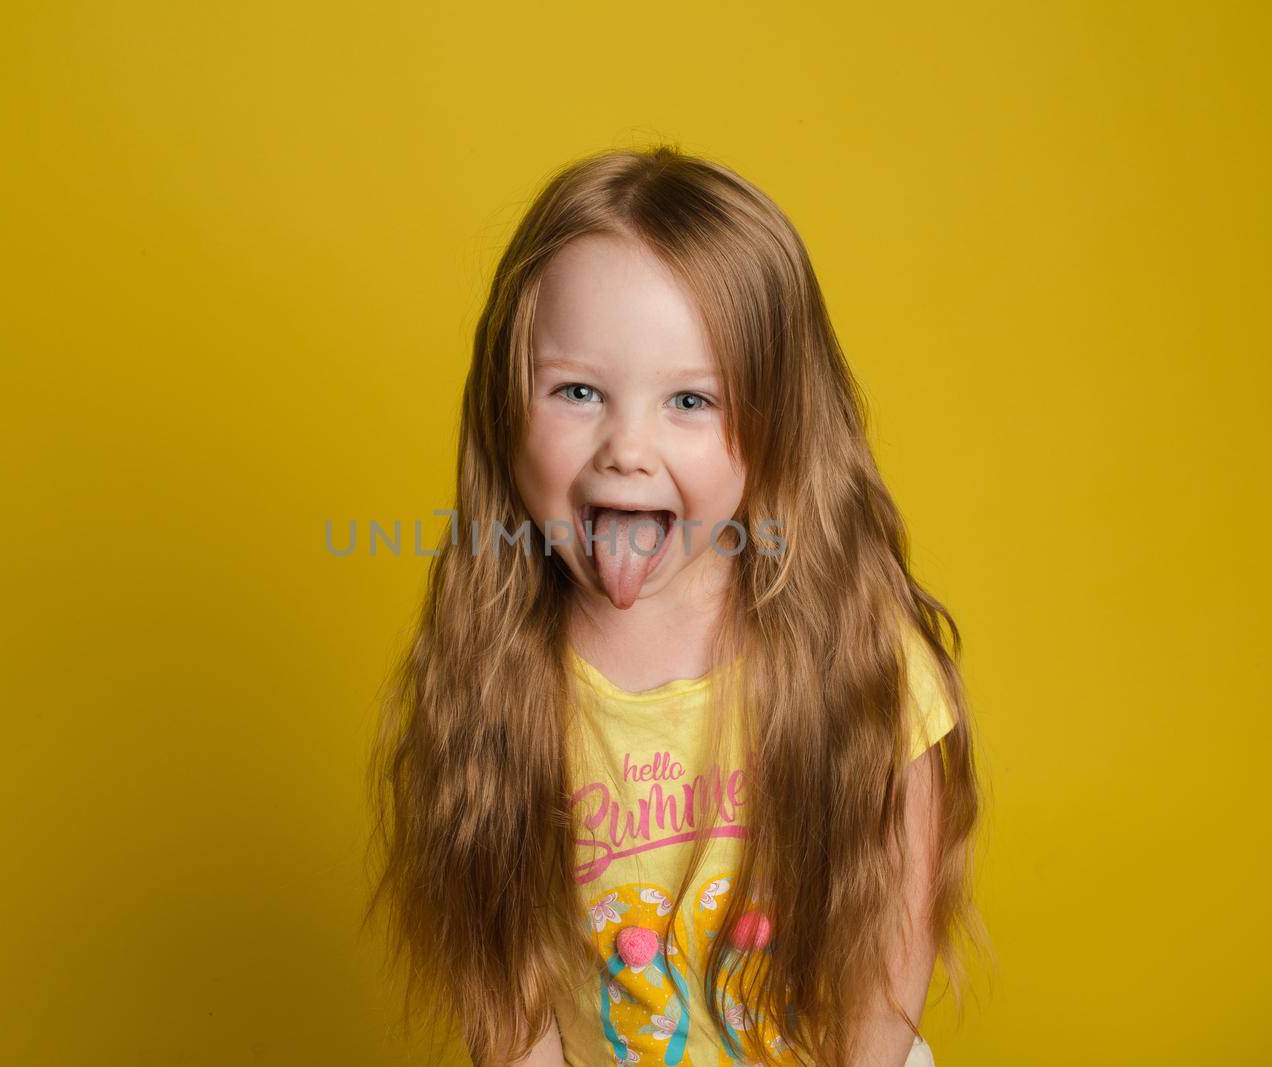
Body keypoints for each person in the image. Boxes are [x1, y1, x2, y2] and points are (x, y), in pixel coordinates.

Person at [364, 145, 986, 1067]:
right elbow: (512, 1007)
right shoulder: (497, 675)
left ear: (778, 425)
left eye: (690, 400)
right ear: (505, 405)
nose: (626, 447)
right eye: (577, 391)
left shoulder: (858, 663)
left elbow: (883, 988)